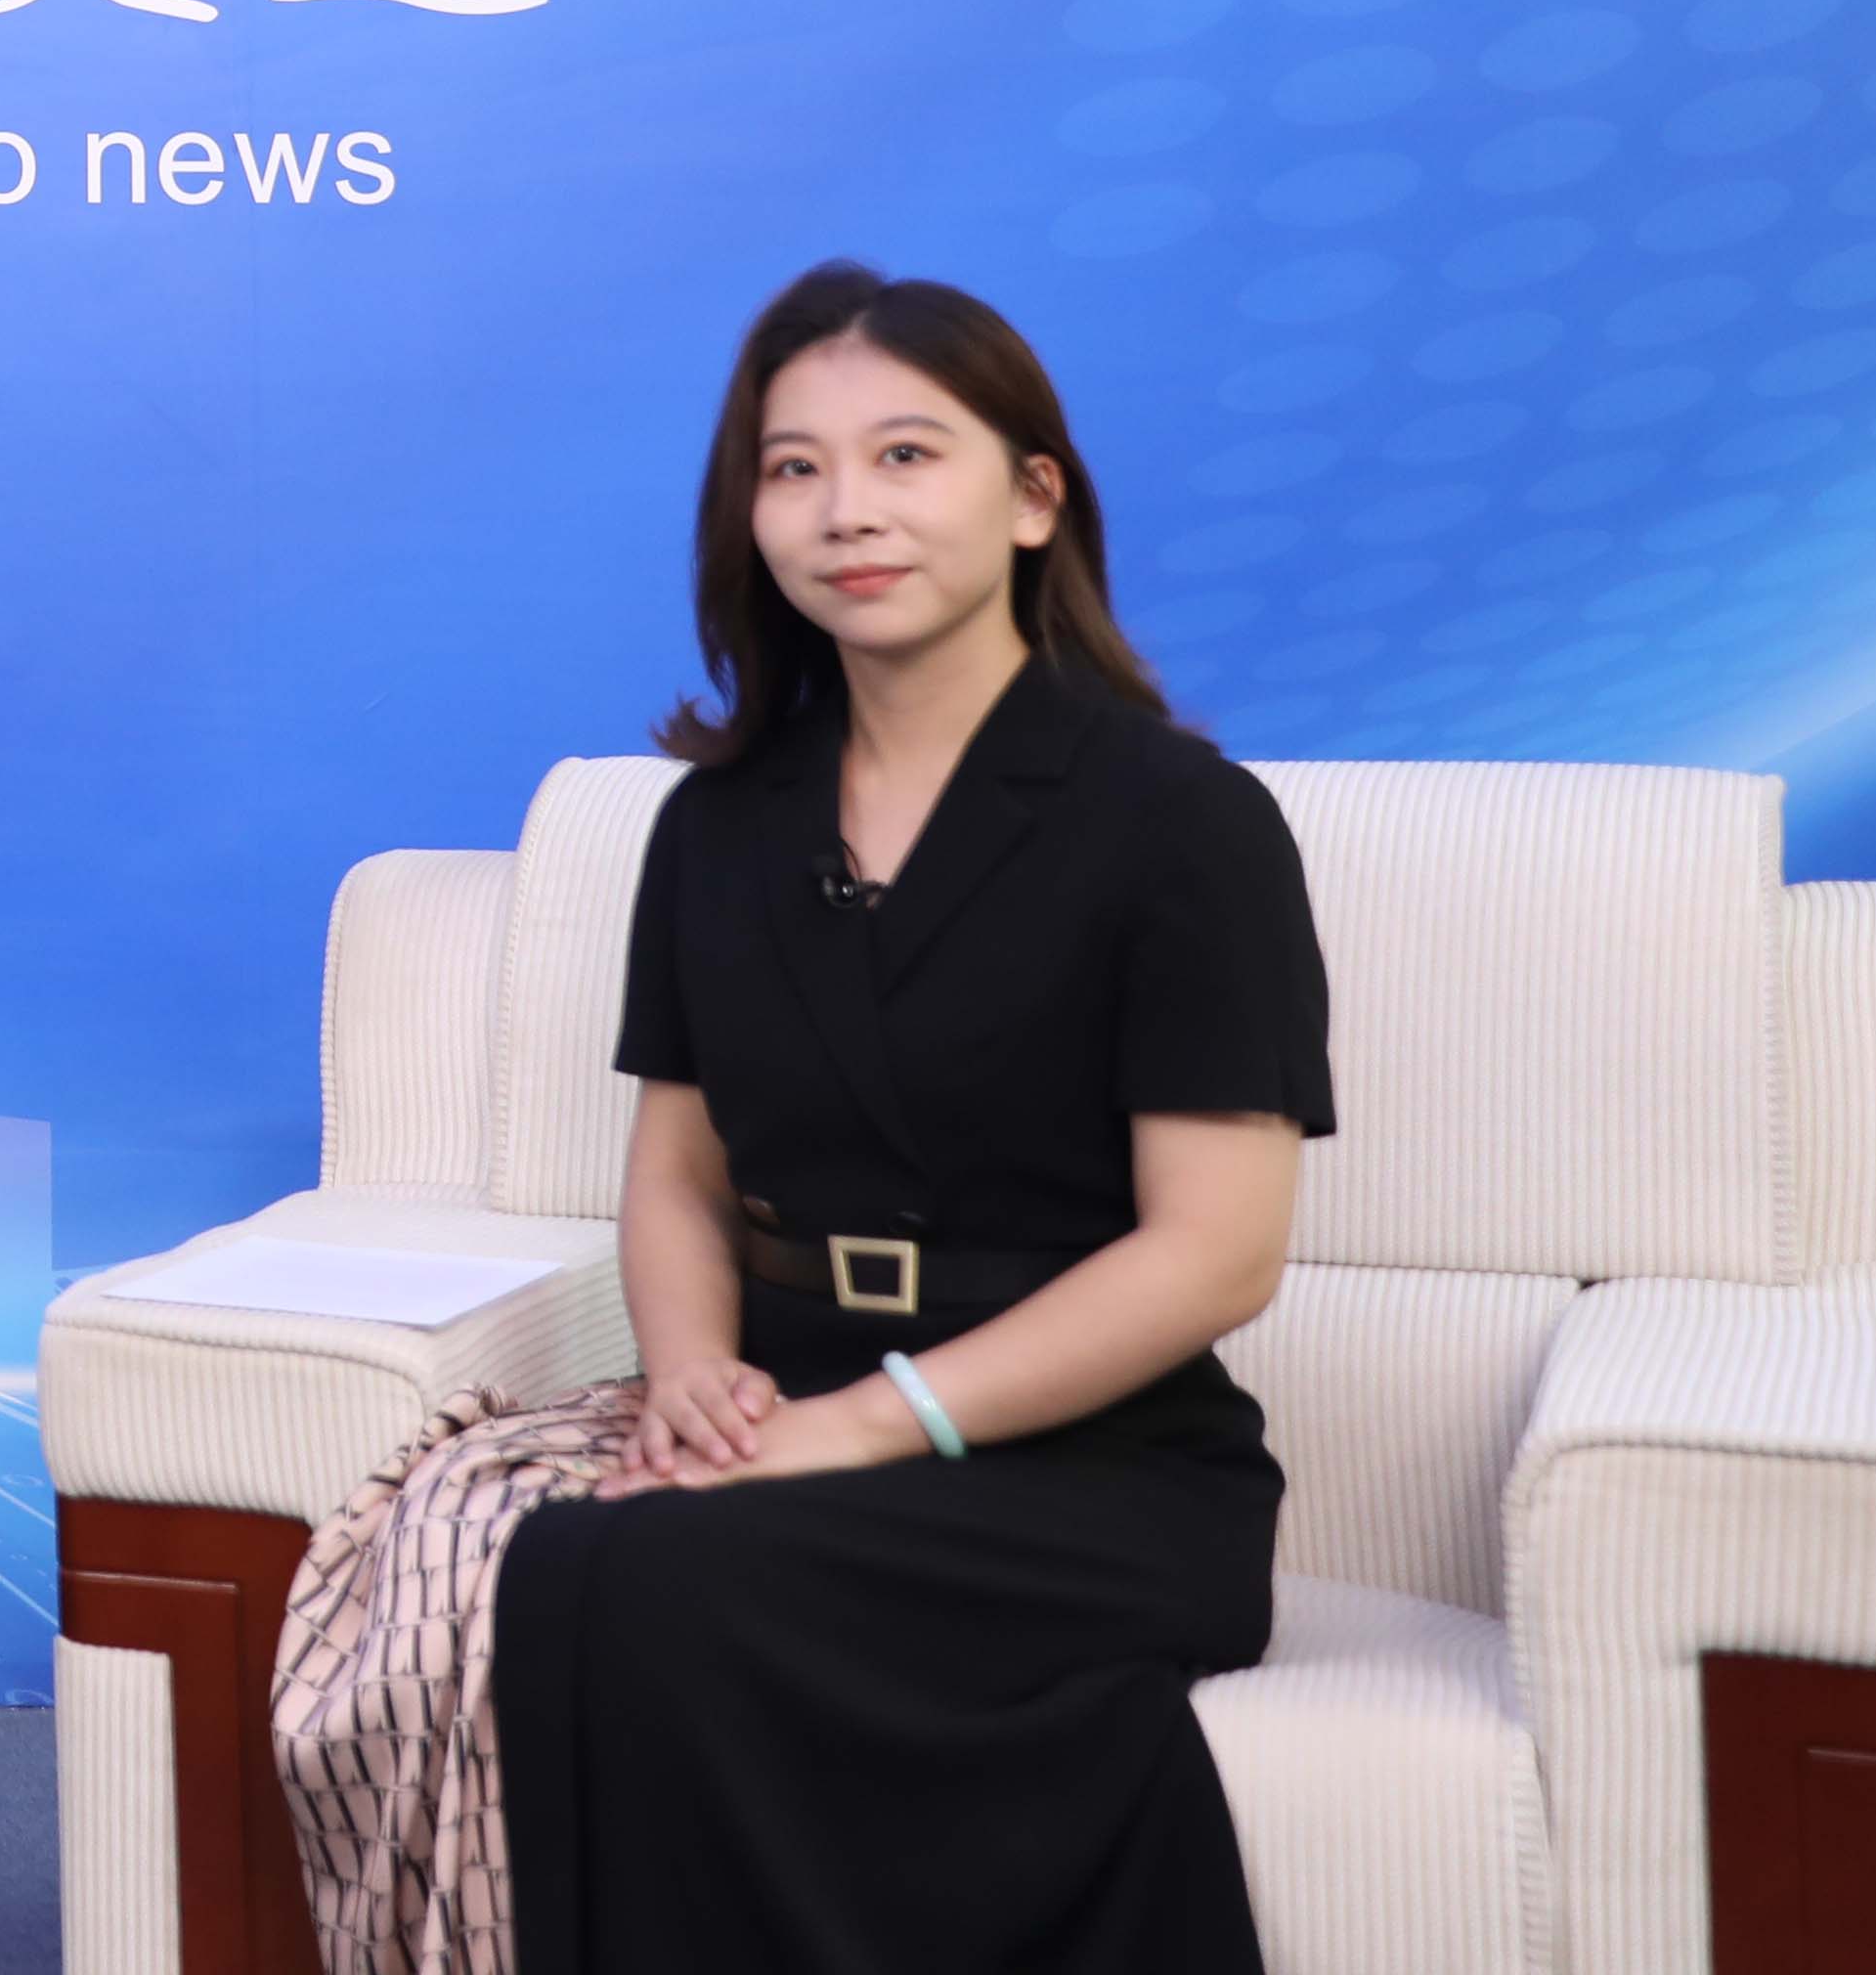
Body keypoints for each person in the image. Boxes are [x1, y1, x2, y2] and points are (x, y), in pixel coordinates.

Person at [483, 258, 1340, 1972]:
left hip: (1094, 1469)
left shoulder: (1182, 821)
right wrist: (693, 1379)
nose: (845, 512)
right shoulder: (719, 826)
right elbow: (677, 1177)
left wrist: (864, 1426)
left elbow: (1217, 1255)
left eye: (904, 456)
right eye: (793, 468)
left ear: (1034, 500)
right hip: (790, 1398)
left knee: (654, 1580)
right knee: (573, 1568)